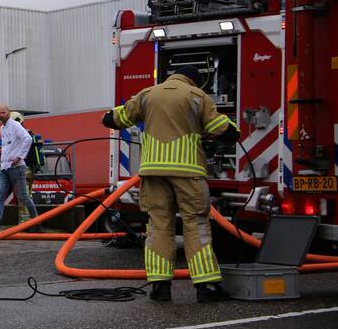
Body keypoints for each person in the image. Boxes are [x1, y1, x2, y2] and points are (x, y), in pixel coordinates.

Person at [102, 65, 240, 303]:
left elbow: (115, 119)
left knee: (158, 226)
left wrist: (109, 114)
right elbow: (222, 129)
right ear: (194, 81)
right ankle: (206, 286)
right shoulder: (197, 96)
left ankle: (159, 286)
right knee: (196, 224)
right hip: (188, 172)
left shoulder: (148, 94)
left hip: (153, 173)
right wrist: (233, 130)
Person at [0, 104, 39, 233]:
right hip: (4, 168)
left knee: (23, 196)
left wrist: (19, 157)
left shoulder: (15, 125)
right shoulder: (2, 128)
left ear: (9, 112)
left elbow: (27, 139)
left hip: (16, 167)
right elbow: (7, 147)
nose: (1, 115)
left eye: (3, 112)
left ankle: (36, 222)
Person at [10, 111, 45, 226]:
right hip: (30, 170)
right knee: (27, 195)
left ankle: (24, 223)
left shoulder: (18, 135)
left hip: (22, 171)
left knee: (23, 197)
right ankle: (31, 222)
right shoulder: (29, 133)